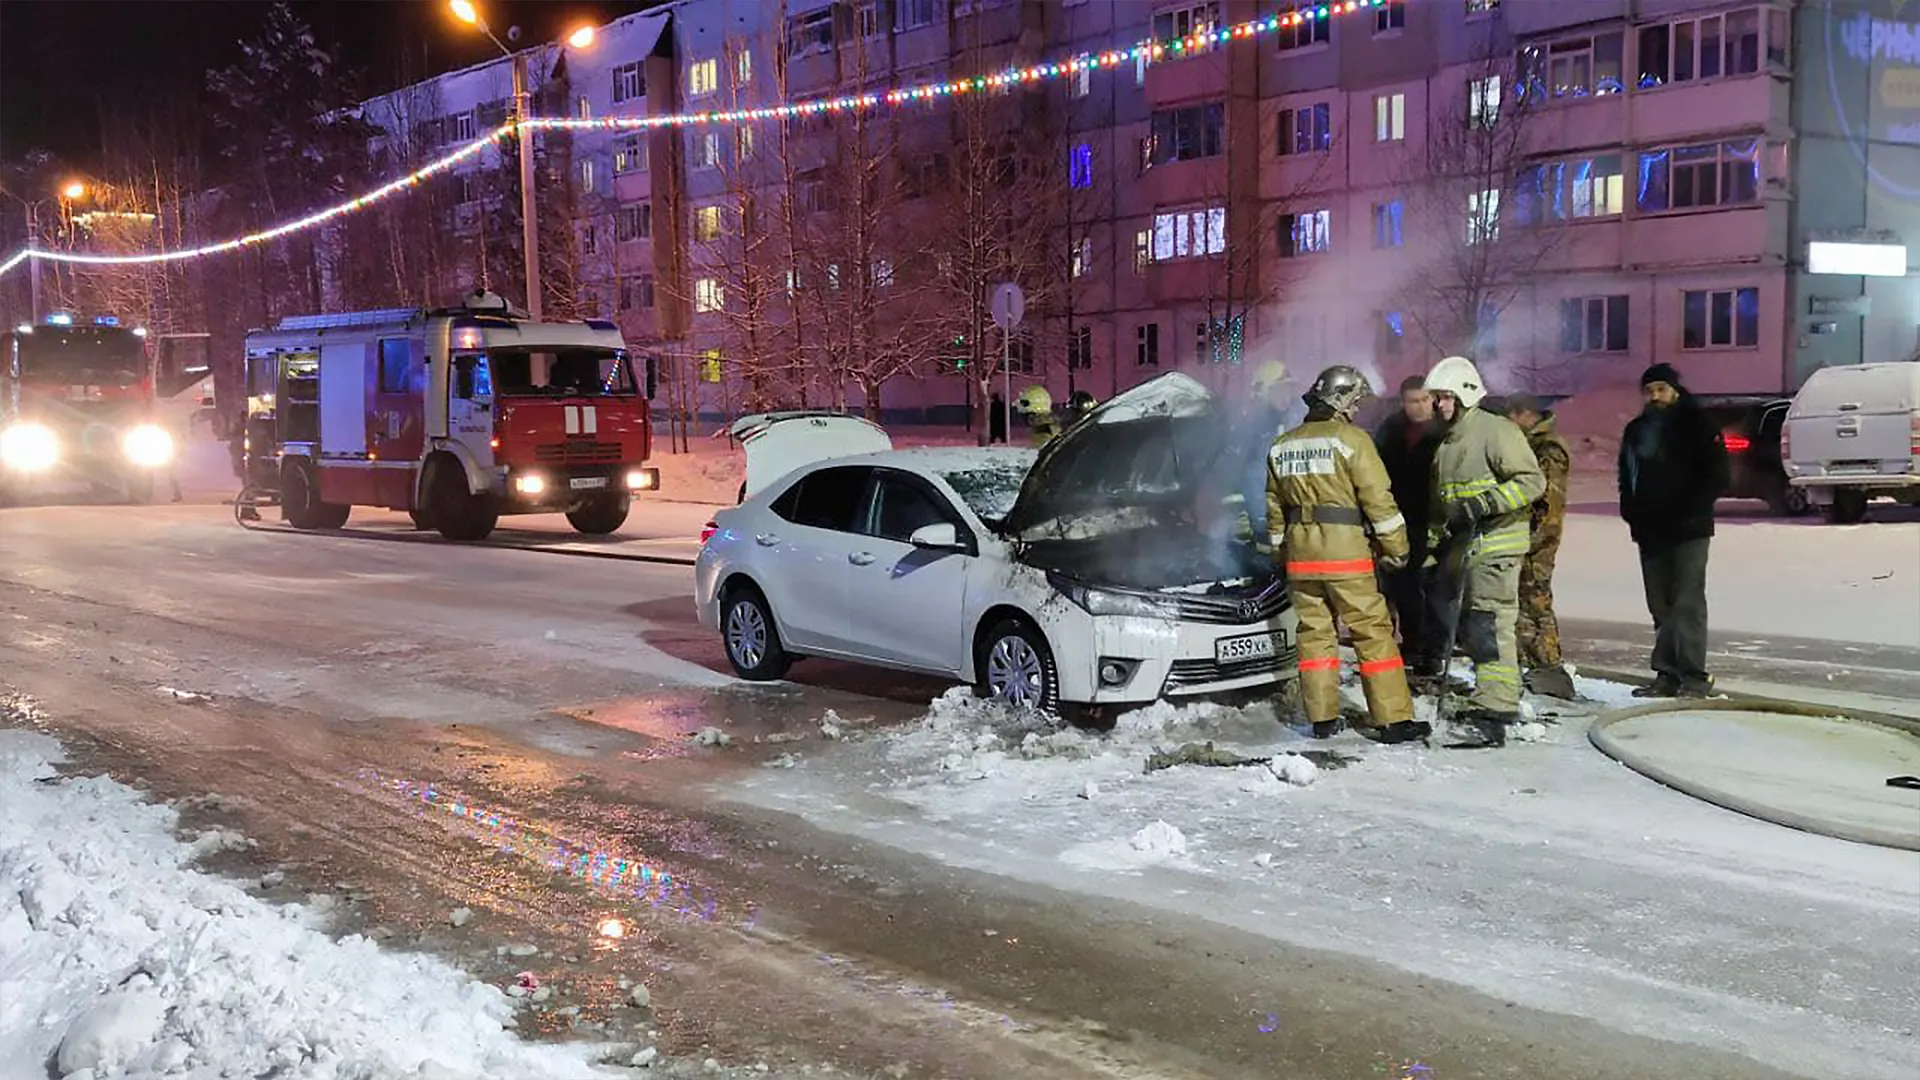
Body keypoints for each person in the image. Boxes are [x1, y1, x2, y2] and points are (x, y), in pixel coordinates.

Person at [1266, 364, 1431, 745]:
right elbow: (1378, 500)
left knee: (1315, 637)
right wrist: (1397, 548)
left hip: (1301, 558)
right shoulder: (1352, 440)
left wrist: (1281, 554)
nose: (1356, 409)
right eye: (1354, 402)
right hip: (1346, 556)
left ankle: (1322, 717)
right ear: (1340, 401)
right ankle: (1392, 720)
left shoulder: (1282, 444)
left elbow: (1274, 508)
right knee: (1372, 633)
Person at [1422, 356, 1545, 748]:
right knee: (1477, 625)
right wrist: (1430, 551)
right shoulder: (1448, 442)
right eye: (1436, 398)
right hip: (1469, 550)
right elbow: (1443, 507)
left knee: (1489, 625)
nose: (1438, 405)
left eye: (1443, 398)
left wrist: (1486, 503)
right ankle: (1492, 696)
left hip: (1497, 545)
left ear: (1463, 395)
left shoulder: (1495, 431)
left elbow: (1531, 481)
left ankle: (1497, 703)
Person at [1618, 362, 1730, 698]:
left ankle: (1694, 675)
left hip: (1688, 529)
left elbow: (1718, 475)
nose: (1655, 396)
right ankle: (1667, 674)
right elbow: (1627, 475)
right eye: (1649, 391)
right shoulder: (1637, 430)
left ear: (1675, 389)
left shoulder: (1697, 425)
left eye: (1661, 389)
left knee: (1687, 603)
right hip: (1651, 530)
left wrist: (1691, 509)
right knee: (1660, 605)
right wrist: (1632, 512)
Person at [1495, 394, 1576, 700]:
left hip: (1538, 539)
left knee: (1536, 601)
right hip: (1527, 536)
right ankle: (1531, 664)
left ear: (1526, 414)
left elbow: (1547, 502)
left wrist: (1533, 541)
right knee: (1523, 601)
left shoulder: (1547, 448)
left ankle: (1549, 667)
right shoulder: (1532, 443)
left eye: (1513, 417)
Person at [1372, 375, 1443, 681]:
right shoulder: (1390, 430)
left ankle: (1433, 648)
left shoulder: (1445, 430)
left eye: (1425, 399)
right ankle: (1412, 644)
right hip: (1398, 518)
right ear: (1403, 402)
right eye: (1413, 401)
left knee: (1435, 587)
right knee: (1403, 585)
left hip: (1435, 517)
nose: (1420, 406)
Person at [1236, 360, 1310, 549]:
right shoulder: (1252, 426)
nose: (1285, 396)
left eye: (1288, 390)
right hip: (1265, 515)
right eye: (1279, 391)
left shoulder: (1298, 418)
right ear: (1265, 393)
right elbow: (1250, 476)